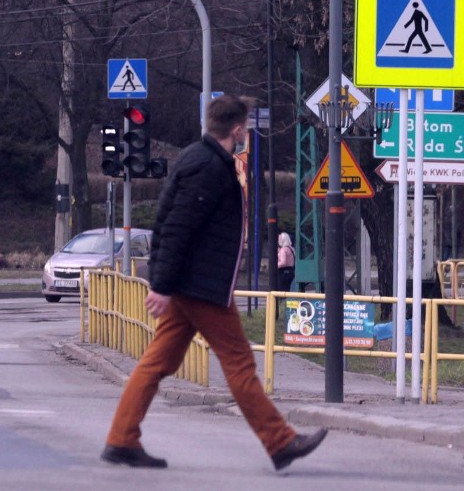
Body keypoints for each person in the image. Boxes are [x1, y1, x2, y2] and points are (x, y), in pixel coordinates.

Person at [101, 94, 327, 470]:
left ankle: (121, 438)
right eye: (246, 128)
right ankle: (280, 441)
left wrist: (166, 282)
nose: (247, 133)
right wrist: (160, 284)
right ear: (236, 130)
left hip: (191, 284)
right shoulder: (208, 166)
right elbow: (176, 227)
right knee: (239, 363)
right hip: (201, 287)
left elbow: (172, 221)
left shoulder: (201, 159)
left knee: (156, 363)